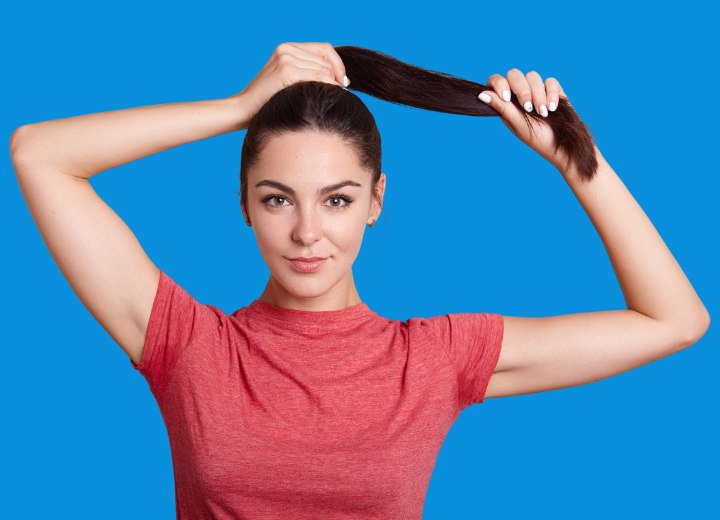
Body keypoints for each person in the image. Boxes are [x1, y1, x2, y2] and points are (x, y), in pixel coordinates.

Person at [10, 41, 710, 518]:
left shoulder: (433, 360)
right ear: (245, 206)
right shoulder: (187, 345)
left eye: (337, 199)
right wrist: (236, 110)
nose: (308, 233)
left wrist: (572, 157)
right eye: (277, 198)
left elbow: (674, 320)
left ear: (377, 202)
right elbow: (38, 153)